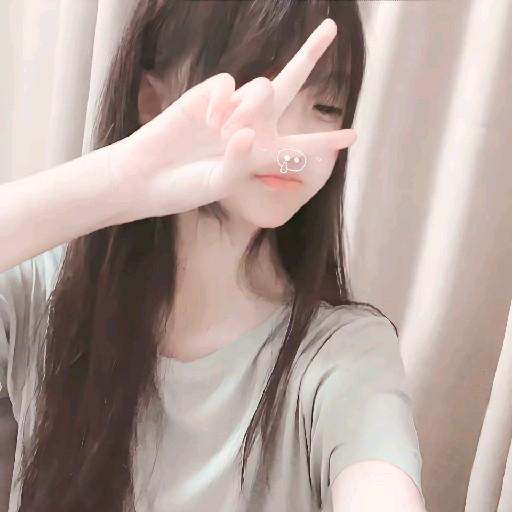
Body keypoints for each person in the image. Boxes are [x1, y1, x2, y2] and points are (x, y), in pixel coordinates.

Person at [0, 1, 426, 511]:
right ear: (152, 97)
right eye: (256, 91)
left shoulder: (343, 355)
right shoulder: (43, 292)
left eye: (327, 105)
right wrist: (119, 180)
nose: (292, 139)